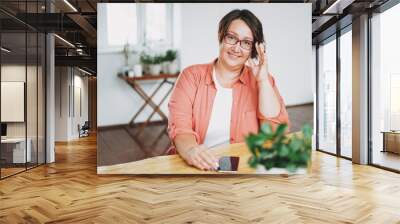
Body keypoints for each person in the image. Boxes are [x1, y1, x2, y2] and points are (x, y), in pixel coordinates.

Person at [167, 9, 290, 171]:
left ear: (254, 48)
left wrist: (262, 81)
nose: (237, 48)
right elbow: (180, 127)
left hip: (243, 168)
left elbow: (276, 133)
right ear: (221, 36)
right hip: (194, 165)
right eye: (231, 38)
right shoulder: (191, 76)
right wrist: (191, 151)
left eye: (246, 42)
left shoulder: (263, 80)